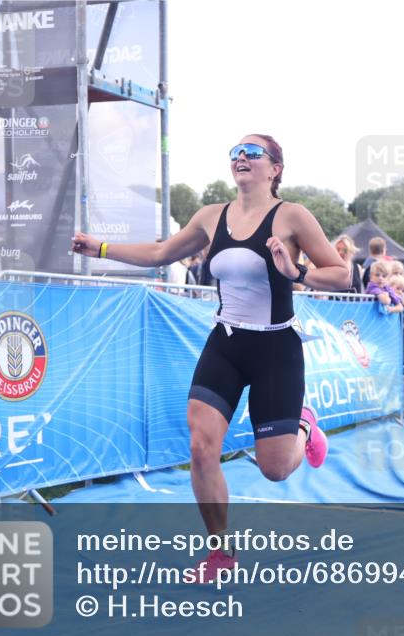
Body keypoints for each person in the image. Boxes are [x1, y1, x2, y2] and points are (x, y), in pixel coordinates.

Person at [71, 134, 349, 581]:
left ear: (275, 168)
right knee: (201, 447)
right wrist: (101, 248)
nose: (241, 157)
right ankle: (220, 554)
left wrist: (295, 272)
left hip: (276, 348)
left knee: (276, 470)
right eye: (236, 152)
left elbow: (342, 274)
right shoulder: (210, 216)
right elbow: (162, 253)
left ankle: (303, 424)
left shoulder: (292, 216)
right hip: (226, 343)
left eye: (252, 152)